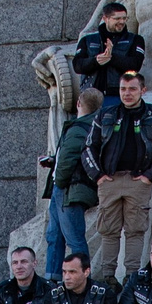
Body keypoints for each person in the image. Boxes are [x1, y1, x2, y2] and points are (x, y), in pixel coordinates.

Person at [82, 74, 152, 282]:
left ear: (143, 90)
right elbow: (89, 147)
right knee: (108, 231)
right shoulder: (105, 114)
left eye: (132, 89)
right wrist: (97, 175)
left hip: (139, 181)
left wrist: (150, 176)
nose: (127, 93)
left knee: (135, 231)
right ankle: (109, 279)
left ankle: (131, 278)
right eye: (123, 88)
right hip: (109, 180)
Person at [43, 100, 100, 289]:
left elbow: (68, 161)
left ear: (78, 103)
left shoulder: (79, 127)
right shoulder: (92, 125)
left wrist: (58, 182)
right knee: (55, 235)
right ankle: (54, 279)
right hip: (70, 187)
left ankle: (80, 282)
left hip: (68, 189)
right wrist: (53, 161)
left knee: (72, 238)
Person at [72, 0, 145, 99]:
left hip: (118, 95)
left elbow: (135, 65)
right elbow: (77, 65)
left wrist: (111, 58)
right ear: (105, 19)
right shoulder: (87, 40)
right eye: (117, 18)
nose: (122, 22)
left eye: (124, 18)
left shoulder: (135, 40)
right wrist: (96, 60)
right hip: (90, 95)